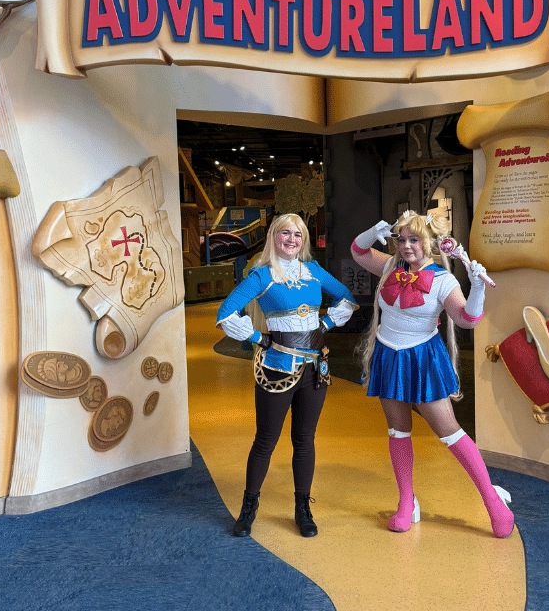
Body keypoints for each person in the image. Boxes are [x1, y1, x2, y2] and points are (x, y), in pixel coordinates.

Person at [350, 210, 514, 538]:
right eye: (402, 239)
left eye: (414, 240)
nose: (407, 246)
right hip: (388, 355)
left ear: (428, 243)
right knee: (398, 430)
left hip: (422, 359)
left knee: (449, 431)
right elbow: (357, 252)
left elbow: (467, 320)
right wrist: (373, 231)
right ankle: (406, 502)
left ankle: (493, 502)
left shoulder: (443, 280)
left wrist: (479, 288)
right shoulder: (389, 266)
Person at [216, 213, 358, 538]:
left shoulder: (314, 272)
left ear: (304, 240)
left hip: (315, 368)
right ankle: (249, 508)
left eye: (298, 234)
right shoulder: (262, 276)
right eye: (285, 233)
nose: (292, 239)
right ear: (274, 237)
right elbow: (225, 314)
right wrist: (258, 338)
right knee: (265, 441)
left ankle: (302, 508)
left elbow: (346, 299)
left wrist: (325, 324)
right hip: (276, 368)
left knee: (304, 440)